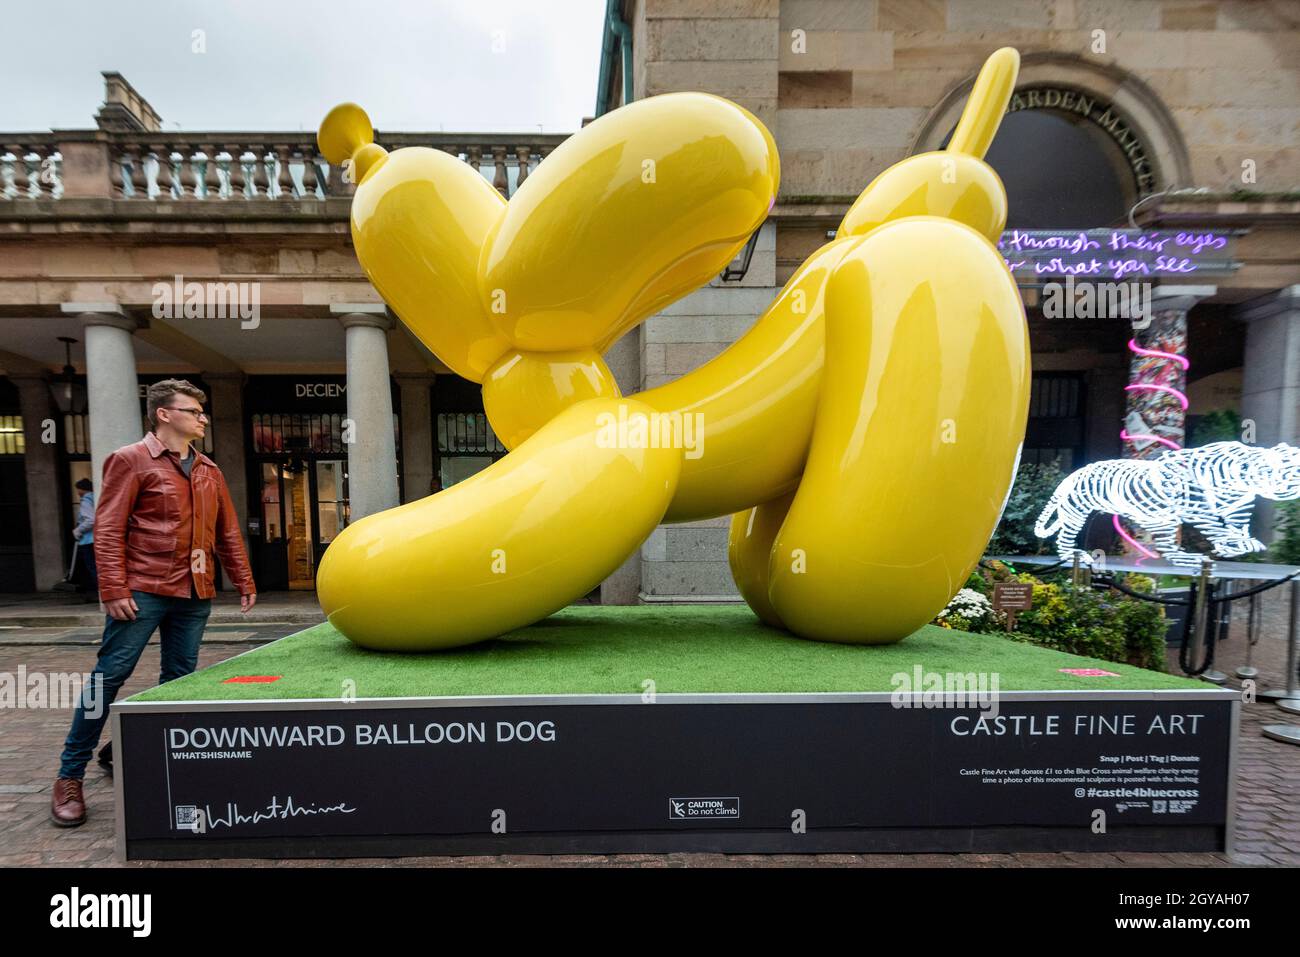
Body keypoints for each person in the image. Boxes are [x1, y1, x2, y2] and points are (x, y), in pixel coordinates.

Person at [51, 379, 257, 827]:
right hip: (142, 589)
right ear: (164, 414)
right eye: (193, 410)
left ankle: (141, 756)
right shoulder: (131, 460)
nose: (202, 417)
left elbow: (226, 532)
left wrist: (242, 578)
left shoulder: (209, 469)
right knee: (107, 680)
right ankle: (69, 777)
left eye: (203, 412)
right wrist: (115, 589)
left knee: (178, 683)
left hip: (194, 591)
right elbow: (107, 529)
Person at [71, 478, 97, 599]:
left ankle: (97, 592)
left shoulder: (86, 500)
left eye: (78, 489)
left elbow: (90, 520)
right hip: (97, 538)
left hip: (88, 540)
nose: (77, 492)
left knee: (92, 567)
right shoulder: (95, 498)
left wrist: (78, 530)